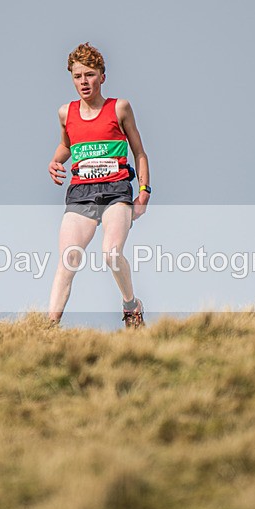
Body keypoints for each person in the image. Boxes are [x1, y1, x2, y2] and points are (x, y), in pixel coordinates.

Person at [47, 42, 151, 328]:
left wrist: (144, 192)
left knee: (111, 253)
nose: (84, 82)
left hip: (116, 191)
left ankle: (131, 306)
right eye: (78, 76)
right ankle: (48, 329)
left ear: (102, 77)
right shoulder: (66, 113)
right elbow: (66, 145)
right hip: (81, 192)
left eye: (90, 75)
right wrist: (55, 161)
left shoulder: (119, 108)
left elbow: (139, 152)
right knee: (68, 259)